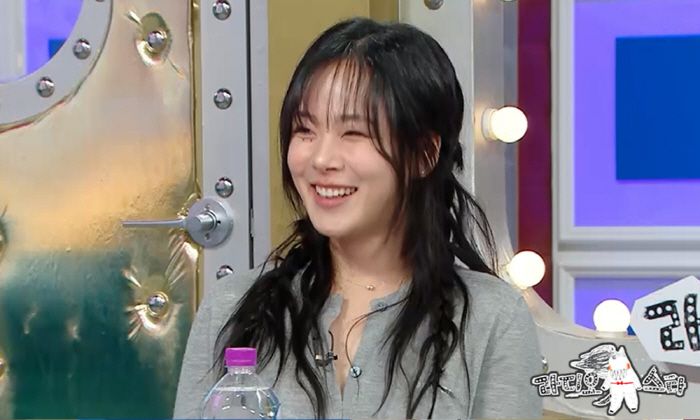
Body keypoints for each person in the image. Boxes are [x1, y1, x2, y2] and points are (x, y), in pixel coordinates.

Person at [173, 17, 542, 419]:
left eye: (354, 133)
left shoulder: (492, 319)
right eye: (305, 129)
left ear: (423, 154)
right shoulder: (232, 309)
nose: (321, 159)